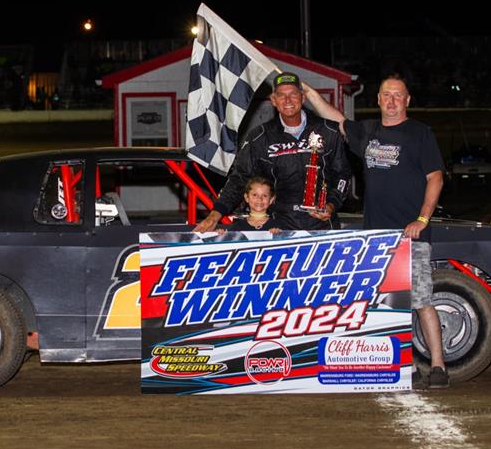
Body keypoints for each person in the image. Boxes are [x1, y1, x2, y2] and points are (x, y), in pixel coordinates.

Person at [304, 75, 450, 389]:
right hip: (377, 238)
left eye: (399, 95)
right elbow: (336, 118)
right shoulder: (368, 131)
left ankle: (438, 366)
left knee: (422, 300)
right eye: (387, 95)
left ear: (407, 100)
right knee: (387, 303)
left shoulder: (420, 133)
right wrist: (309, 93)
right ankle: (405, 366)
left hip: (412, 236)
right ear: (379, 99)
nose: (392, 100)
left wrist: (422, 220)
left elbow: (435, 178)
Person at [193, 73, 350, 233]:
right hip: (278, 229)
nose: (288, 101)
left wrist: (331, 204)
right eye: (281, 95)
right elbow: (240, 179)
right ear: (273, 100)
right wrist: (215, 214)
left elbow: (342, 175)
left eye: (293, 94)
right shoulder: (259, 137)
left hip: (323, 227)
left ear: (303, 98)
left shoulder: (328, 130)